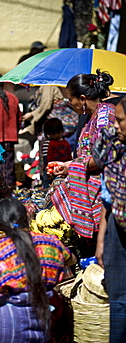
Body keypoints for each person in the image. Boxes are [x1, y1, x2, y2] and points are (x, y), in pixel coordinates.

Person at [0, 197, 76, 343]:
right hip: (42, 323)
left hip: (3, 333)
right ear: (27, 218)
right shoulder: (51, 241)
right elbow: (72, 259)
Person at [46, 69, 115, 257]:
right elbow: (87, 154)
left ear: (83, 98)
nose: (70, 103)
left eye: (71, 98)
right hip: (89, 184)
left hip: (102, 190)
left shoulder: (105, 117)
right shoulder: (90, 117)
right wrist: (68, 165)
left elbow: (102, 157)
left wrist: (72, 167)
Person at [93, 96, 126, 343]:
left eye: (121, 120)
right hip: (117, 228)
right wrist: (101, 241)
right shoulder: (116, 152)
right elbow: (107, 197)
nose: (116, 125)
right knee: (118, 299)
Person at [41, 118, 72, 188]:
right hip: (52, 170)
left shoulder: (66, 143)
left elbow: (69, 156)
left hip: (63, 169)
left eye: (58, 132)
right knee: (49, 186)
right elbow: (47, 158)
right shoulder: (48, 143)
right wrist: (49, 170)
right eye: (53, 133)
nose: (56, 135)